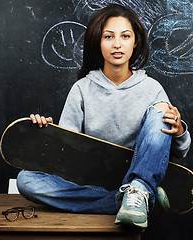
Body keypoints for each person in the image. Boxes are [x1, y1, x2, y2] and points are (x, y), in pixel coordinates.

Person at [16, 4, 191, 228]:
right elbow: (67, 154)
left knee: (160, 110)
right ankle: (137, 201)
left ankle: (138, 189)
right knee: (26, 180)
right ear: (98, 41)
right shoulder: (82, 88)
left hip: (138, 173)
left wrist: (180, 131)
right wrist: (49, 136)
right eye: (109, 36)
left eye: (125, 36)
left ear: (135, 42)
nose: (117, 44)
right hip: (90, 182)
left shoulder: (152, 89)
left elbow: (179, 151)